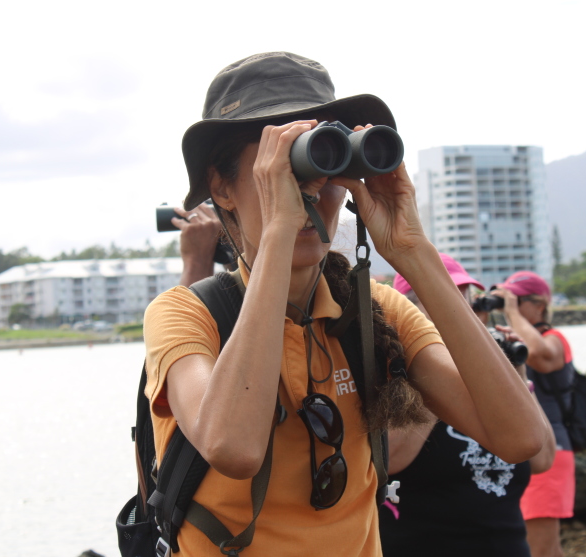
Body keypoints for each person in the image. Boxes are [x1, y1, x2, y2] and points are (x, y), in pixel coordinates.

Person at [143, 52, 549, 556]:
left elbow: (520, 438)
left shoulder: (376, 310)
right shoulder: (183, 315)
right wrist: (278, 234)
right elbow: (235, 448)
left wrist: (413, 252)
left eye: (323, 159)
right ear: (222, 188)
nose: (311, 190)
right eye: (284, 166)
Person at [379, 255, 555, 557]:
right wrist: (438, 371)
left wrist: (517, 376)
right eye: (446, 305)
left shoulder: (490, 384)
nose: (462, 317)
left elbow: (542, 460)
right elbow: (388, 460)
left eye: (469, 306)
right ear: (407, 314)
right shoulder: (391, 377)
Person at [492, 271, 576, 557]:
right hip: (523, 450)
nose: (508, 306)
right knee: (541, 548)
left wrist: (512, 313)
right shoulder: (510, 339)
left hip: (552, 451)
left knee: (540, 550)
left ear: (540, 305)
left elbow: (540, 356)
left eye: (516, 300)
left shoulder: (555, 339)